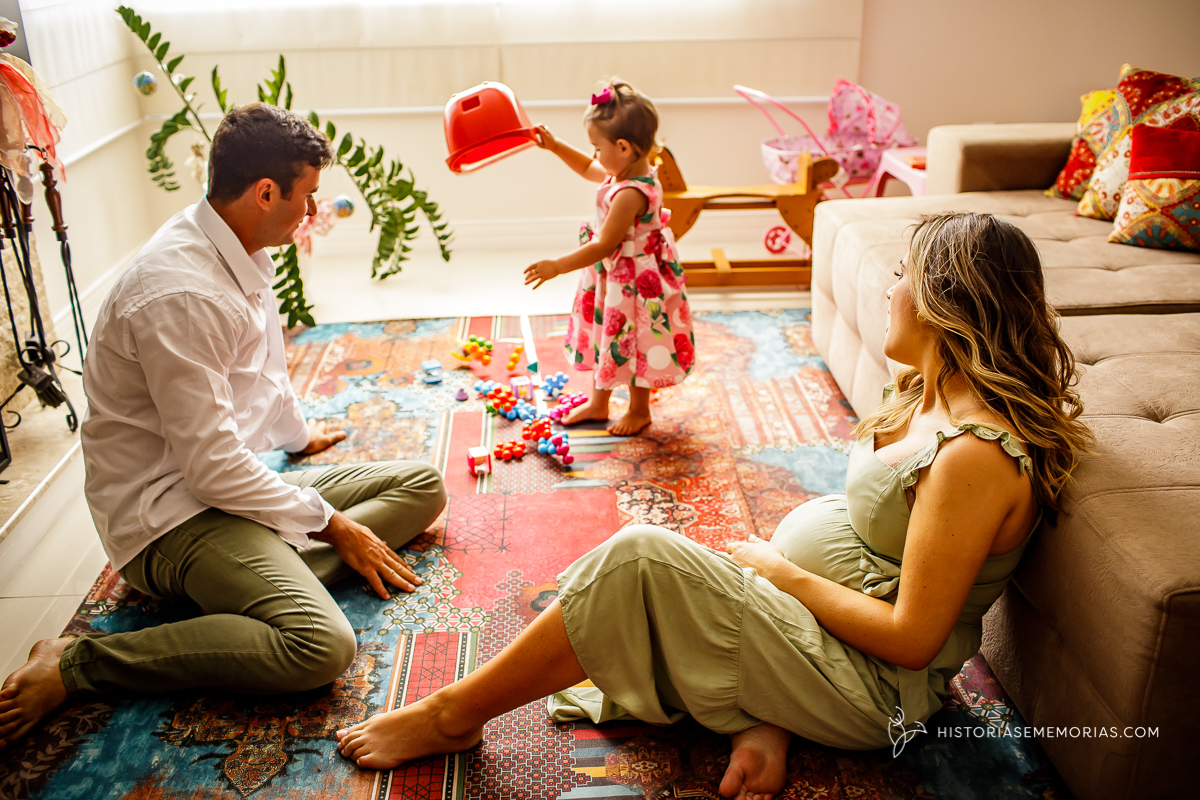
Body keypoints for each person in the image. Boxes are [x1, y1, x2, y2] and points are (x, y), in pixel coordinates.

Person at [337, 211, 1093, 799]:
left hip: (872, 688)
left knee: (638, 560)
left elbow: (913, 639)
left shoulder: (973, 457)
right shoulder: (927, 391)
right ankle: (767, 715)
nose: (887, 289)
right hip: (823, 639)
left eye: (902, 275)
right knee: (659, 584)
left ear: (942, 301)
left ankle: (453, 715)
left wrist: (781, 573)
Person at [0, 104, 446, 751]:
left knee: (423, 485)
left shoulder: (234, 245)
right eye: (307, 195)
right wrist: (334, 525)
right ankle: (79, 664)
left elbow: (261, 368)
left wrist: (297, 439)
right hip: (169, 514)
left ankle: (258, 582)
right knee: (320, 646)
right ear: (265, 192)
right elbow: (211, 472)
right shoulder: (183, 294)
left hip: (225, 490)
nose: (312, 210)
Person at [524, 79, 695, 436]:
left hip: (635, 285)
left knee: (637, 341)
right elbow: (589, 168)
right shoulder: (625, 172)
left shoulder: (630, 193)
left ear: (623, 147)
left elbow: (603, 245)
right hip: (617, 277)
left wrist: (557, 266)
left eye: (597, 147)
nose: (596, 155)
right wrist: (555, 147)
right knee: (609, 336)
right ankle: (599, 403)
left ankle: (639, 410)